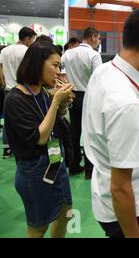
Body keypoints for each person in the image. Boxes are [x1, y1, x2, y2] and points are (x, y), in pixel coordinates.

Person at [82, 8, 139, 238]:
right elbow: (121, 188)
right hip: (131, 212)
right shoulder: (126, 102)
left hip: (107, 199)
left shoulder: (105, 72)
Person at [4, 42, 74, 238]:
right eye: (55, 65)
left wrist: (61, 106)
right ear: (37, 64)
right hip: (34, 170)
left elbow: (50, 124)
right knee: (38, 227)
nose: (58, 72)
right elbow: (40, 137)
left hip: (54, 163)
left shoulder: (41, 92)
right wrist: (56, 102)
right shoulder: (15, 100)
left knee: (65, 210)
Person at [62, 27, 102, 178]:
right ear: (92, 37)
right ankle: (89, 170)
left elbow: (61, 74)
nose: (98, 42)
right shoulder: (94, 55)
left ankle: (73, 165)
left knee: (74, 131)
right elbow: (98, 79)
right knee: (89, 133)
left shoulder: (68, 53)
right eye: (98, 39)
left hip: (71, 95)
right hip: (88, 96)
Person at [0, 27, 37, 159]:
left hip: (8, 90)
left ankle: (6, 149)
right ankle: (22, 147)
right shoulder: (27, 51)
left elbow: (0, 69)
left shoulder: (5, 50)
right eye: (32, 39)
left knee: (7, 120)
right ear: (27, 38)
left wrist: (3, 84)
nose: (32, 42)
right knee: (25, 121)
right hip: (24, 90)